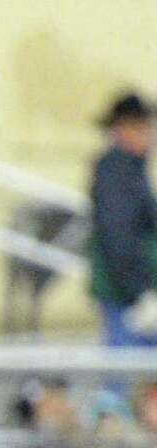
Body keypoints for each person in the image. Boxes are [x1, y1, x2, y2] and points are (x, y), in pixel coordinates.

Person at [88, 92, 157, 348]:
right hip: (127, 294)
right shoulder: (117, 172)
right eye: (144, 128)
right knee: (122, 372)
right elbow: (119, 238)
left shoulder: (128, 169)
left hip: (132, 290)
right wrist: (140, 294)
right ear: (124, 129)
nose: (151, 136)